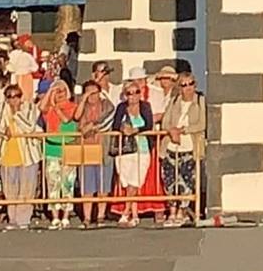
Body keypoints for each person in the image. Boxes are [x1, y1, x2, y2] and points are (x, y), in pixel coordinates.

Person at [157, 71, 204, 227]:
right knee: (170, 180)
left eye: (191, 84)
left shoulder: (200, 100)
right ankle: (172, 211)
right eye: (184, 85)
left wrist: (184, 130)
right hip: (171, 146)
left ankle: (182, 212)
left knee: (187, 180)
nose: (188, 88)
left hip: (189, 146)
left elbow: (202, 124)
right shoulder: (174, 101)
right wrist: (172, 131)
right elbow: (165, 122)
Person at [108, 81, 154, 227]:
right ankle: (134, 215)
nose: (133, 96)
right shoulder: (121, 107)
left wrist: (135, 130)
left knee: (135, 181)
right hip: (125, 150)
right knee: (128, 183)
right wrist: (123, 128)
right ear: (125, 95)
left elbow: (149, 124)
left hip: (142, 148)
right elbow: (115, 125)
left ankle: (126, 212)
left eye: (136, 92)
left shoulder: (145, 107)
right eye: (129, 93)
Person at [0, 83, 40, 229]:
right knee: (10, 189)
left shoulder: (29, 107)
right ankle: (12, 219)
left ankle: (24, 220)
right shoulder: (1, 108)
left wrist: (16, 115)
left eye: (16, 96)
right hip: (7, 154)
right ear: (6, 98)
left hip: (28, 155)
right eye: (10, 97)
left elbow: (30, 126)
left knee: (27, 189)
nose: (13, 99)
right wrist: (4, 129)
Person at [72, 73, 113, 227]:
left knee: (103, 184)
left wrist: (92, 126)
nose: (92, 96)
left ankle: (101, 216)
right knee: (87, 185)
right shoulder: (82, 105)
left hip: (103, 148)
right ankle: (87, 217)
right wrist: (83, 99)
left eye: (94, 93)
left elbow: (108, 120)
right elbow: (76, 117)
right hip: (86, 148)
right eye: (89, 93)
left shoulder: (107, 105)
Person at [39, 80, 78, 228]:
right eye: (57, 91)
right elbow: (41, 107)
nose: (60, 94)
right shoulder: (49, 109)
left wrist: (56, 108)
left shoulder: (73, 107)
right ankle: (55, 215)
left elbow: (66, 119)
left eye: (62, 90)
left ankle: (66, 214)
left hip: (68, 148)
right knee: (53, 183)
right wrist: (50, 92)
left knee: (68, 183)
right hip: (52, 149)